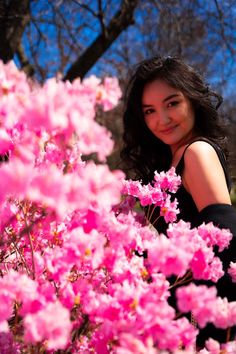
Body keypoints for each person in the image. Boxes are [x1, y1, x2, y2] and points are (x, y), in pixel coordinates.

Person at [120, 56, 236, 346]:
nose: (162, 119)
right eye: (150, 110)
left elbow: (225, 239)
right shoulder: (172, 157)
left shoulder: (196, 152)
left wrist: (207, 329)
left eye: (172, 103)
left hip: (207, 316)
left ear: (193, 100)